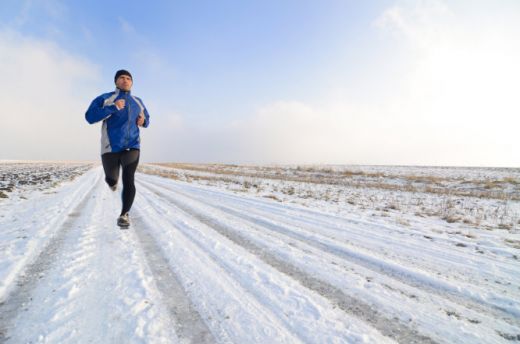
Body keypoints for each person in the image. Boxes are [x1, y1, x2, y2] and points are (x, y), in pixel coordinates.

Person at [85, 69, 150, 228]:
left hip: (132, 146)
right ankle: (112, 182)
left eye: (128, 78)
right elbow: (90, 117)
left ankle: (124, 215)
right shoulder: (106, 98)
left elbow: (147, 119)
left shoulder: (138, 101)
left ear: (132, 82)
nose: (125, 80)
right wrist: (113, 108)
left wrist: (144, 121)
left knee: (129, 179)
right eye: (122, 78)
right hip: (110, 147)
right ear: (116, 81)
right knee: (111, 178)